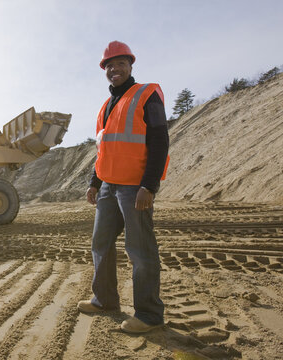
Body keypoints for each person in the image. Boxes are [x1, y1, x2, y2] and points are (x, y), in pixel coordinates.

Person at [78, 41, 170, 334]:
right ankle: (105, 300)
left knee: (140, 250)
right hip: (108, 186)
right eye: (109, 65)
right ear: (104, 70)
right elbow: (103, 150)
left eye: (120, 64)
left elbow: (159, 141)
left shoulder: (146, 94)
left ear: (130, 66)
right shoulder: (105, 107)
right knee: (100, 244)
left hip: (135, 187)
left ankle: (149, 315)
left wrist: (149, 185)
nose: (114, 69)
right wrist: (95, 182)